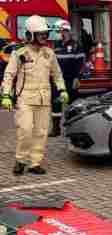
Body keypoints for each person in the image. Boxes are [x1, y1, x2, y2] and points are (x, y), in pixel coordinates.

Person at [0, 15, 68, 175]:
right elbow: (9, 75)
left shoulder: (49, 53)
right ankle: (21, 160)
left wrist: (62, 89)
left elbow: (57, 74)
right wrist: (6, 95)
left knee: (41, 131)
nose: (44, 36)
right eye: (40, 33)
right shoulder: (20, 53)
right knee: (25, 130)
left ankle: (35, 163)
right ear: (30, 34)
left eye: (45, 33)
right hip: (25, 98)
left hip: (44, 99)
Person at [49, 19, 85, 137]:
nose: (61, 34)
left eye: (62, 31)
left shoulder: (76, 46)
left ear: (68, 31)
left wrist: (78, 78)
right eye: (59, 32)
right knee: (56, 103)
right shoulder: (56, 45)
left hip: (71, 80)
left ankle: (74, 129)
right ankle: (56, 129)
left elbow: (82, 64)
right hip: (57, 81)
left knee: (72, 105)